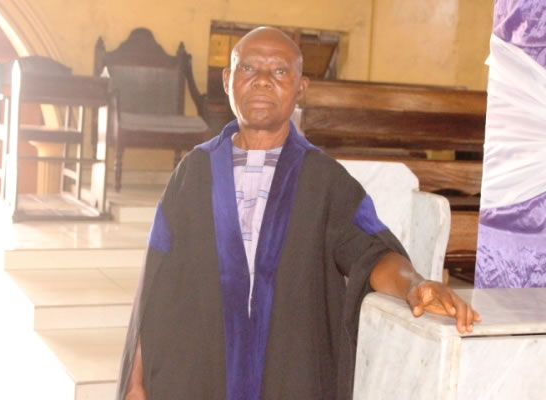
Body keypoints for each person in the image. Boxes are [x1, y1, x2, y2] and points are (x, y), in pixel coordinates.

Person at [117, 27, 481, 400]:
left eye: (279, 71)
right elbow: (156, 282)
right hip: (196, 375)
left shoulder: (324, 180)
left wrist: (415, 284)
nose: (262, 80)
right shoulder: (193, 173)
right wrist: (135, 382)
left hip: (291, 376)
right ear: (227, 80)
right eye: (248, 68)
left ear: (300, 87)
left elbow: (372, 250)